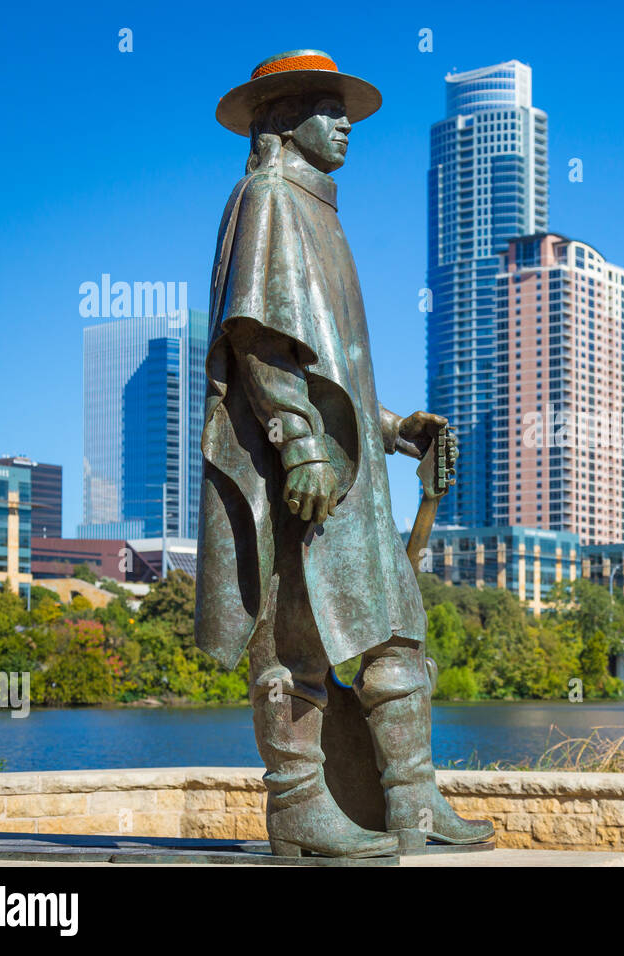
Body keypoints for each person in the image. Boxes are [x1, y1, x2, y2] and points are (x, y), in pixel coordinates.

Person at [195, 50, 493, 858]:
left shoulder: (321, 213)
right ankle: (297, 805)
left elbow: (338, 376)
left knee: (397, 638)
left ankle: (411, 803)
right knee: (296, 643)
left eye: (346, 110)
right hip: (304, 477)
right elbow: (255, 339)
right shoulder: (268, 198)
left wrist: (395, 431)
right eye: (329, 110)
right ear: (286, 119)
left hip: (348, 473)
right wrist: (297, 446)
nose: (347, 125)